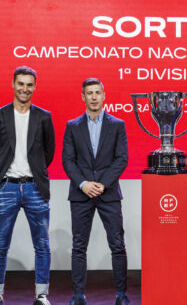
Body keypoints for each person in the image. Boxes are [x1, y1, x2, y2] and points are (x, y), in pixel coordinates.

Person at [0, 66, 55, 305]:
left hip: (35, 187)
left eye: (29, 84)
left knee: (42, 245)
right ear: (13, 84)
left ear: (34, 87)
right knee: (0, 244)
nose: (25, 88)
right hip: (6, 187)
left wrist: (34, 171)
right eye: (21, 84)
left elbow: (50, 152)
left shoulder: (44, 116)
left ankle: (41, 294)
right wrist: (5, 171)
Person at [62, 78, 129, 305]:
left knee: (117, 245)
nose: (93, 97)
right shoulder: (72, 126)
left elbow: (122, 159)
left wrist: (102, 184)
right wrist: (84, 184)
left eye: (97, 92)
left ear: (104, 95)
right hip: (81, 194)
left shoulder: (117, 124)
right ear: (83, 97)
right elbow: (68, 160)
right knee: (79, 246)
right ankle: (78, 295)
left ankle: (121, 295)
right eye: (89, 93)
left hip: (108, 193)